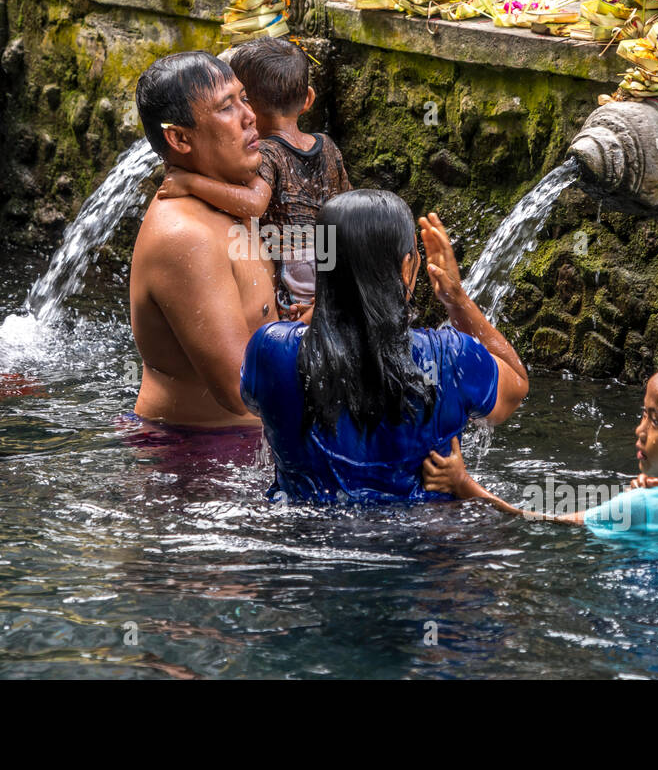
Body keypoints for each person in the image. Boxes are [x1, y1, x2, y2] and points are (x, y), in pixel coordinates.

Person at [239, 190, 529, 502]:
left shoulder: (270, 350)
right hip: (421, 545)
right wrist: (456, 299)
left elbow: (257, 401)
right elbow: (515, 385)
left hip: (302, 540)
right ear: (407, 268)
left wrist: (329, 300)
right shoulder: (452, 358)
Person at [423, 354, 658, 551]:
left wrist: (465, 485)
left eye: (656, 421)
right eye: (643, 414)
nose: (640, 429)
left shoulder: (643, 506)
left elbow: (537, 524)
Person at [129, 51, 277, 429]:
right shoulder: (186, 237)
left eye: (243, 98)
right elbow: (241, 390)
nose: (249, 116)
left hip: (242, 447)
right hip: (196, 462)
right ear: (179, 138)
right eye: (227, 107)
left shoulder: (233, 193)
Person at [157, 38, 350, 317]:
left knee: (289, 328)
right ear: (307, 99)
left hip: (296, 270)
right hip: (332, 259)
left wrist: (190, 182)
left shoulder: (268, 153)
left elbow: (255, 203)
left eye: (242, 99)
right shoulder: (327, 145)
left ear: (249, 111)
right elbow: (348, 203)